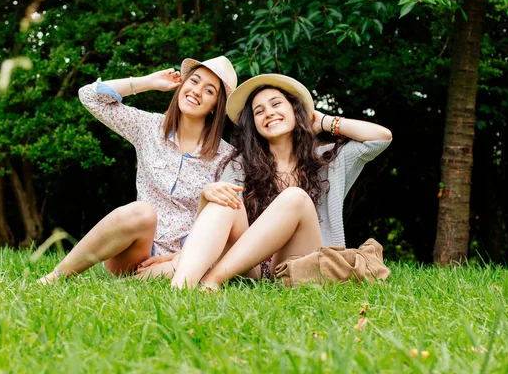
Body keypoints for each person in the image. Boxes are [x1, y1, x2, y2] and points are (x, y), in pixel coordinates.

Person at [168, 74, 392, 289]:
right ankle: (179, 289)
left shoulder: (326, 159)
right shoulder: (240, 164)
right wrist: (207, 195)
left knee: (295, 197)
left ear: (295, 111)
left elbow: (381, 138)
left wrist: (323, 121)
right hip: (251, 266)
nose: (269, 113)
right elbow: (215, 224)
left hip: (300, 260)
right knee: (224, 196)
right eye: (259, 111)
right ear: (254, 124)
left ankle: (212, 281)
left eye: (276, 104)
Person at [38, 56, 238, 284]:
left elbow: (229, 222)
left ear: (216, 107)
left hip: (185, 260)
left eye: (209, 90)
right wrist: (149, 82)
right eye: (193, 81)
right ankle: (55, 277)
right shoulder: (149, 128)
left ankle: (144, 280)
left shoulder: (228, 158)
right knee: (142, 211)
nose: (196, 91)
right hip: (136, 250)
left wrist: (179, 258)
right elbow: (90, 96)